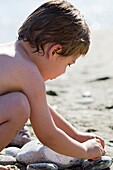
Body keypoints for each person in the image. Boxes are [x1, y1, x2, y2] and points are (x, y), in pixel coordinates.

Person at [0, 0, 107, 169]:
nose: (65, 71)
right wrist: (84, 150)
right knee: (18, 106)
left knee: (19, 102)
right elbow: (48, 135)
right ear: (55, 51)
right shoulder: (28, 72)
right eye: (68, 64)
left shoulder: (11, 54)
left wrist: (76, 136)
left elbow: (41, 108)